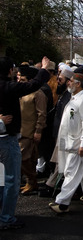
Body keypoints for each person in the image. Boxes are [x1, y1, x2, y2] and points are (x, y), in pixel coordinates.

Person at [0, 56, 50, 230]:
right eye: (14, 70)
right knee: (11, 181)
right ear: (8, 71)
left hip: (9, 137)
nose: (16, 73)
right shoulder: (7, 87)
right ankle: (6, 217)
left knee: (1, 180)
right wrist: (43, 69)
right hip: (7, 140)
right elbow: (32, 85)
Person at [49, 73, 83, 213]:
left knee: (71, 172)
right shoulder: (74, 97)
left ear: (78, 84)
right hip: (71, 142)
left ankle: (62, 203)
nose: (68, 83)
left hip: (79, 144)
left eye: (71, 81)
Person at [38, 65, 74, 198]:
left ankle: (52, 186)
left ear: (68, 81)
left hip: (66, 136)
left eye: (61, 79)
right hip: (59, 134)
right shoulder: (63, 94)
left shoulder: (70, 97)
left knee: (62, 162)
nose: (58, 81)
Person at [18, 65, 48, 195]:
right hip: (19, 130)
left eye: (23, 79)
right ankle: (29, 182)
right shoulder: (19, 91)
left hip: (31, 131)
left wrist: (38, 130)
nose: (19, 81)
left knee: (25, 158)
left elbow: (42, 113)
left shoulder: (38, 93)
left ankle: (32, 181)